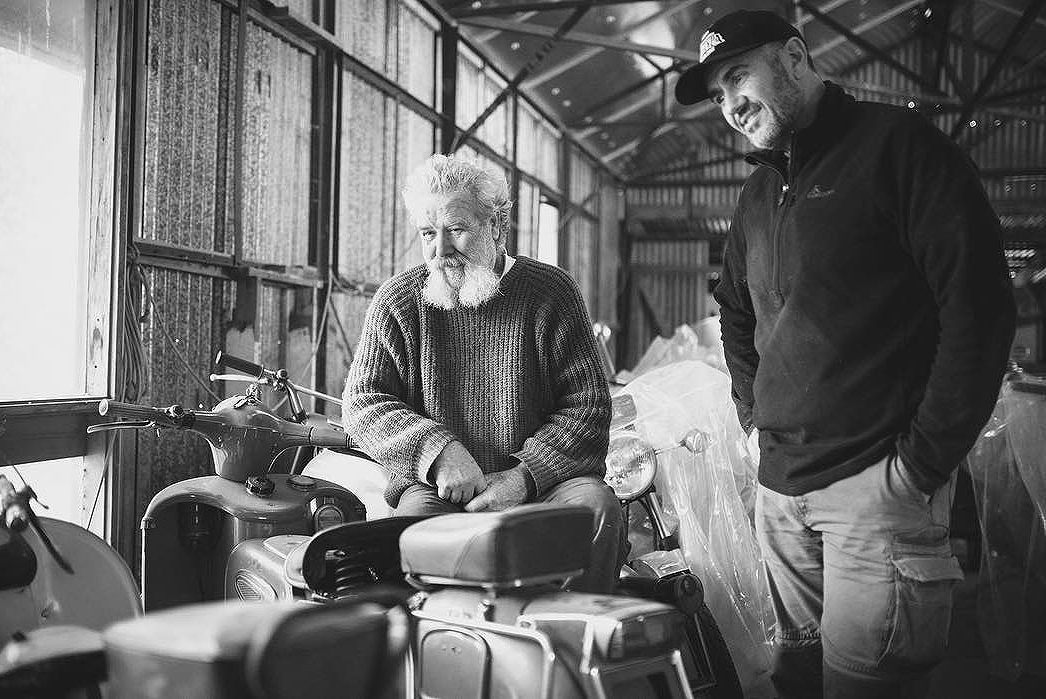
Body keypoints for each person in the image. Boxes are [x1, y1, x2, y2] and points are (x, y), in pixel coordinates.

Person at [675, 9, 1016, 698]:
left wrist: (920, 465)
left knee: (866, 686)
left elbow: (979, 309)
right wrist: (752, 419)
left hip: (877, 491)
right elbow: (734, 311)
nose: (730, 104)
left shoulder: (901, 150)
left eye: (737, 76)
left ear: (794, 58)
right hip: (781, 497)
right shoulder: (758, 192)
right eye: (716, 95)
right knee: (795, 681)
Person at [342, 154, 621, 593]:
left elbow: (588, 407)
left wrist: (524, 476)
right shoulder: (398, 301)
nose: (440, 249)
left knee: (596, 510)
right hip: (437, 491)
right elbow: (363, 404)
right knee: (409, 541)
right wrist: (438, 451)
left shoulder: (551, 292)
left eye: (456, 229)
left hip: (541, 487)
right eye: (428, 233)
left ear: (496, 226)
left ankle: (574, 633)